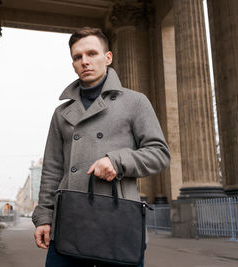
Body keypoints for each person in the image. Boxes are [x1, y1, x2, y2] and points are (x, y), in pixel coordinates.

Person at [31, 27, 170, 267]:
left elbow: (159, 153)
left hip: (117, 223)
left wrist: (117, 161)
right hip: (68, 225)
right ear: (73, 64)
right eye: (77, 57)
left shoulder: (135, 102)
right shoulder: (61, 113)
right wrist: (44, 217)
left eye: (92, 53)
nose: (85, 61)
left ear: (108, 57)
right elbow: (52, 170)